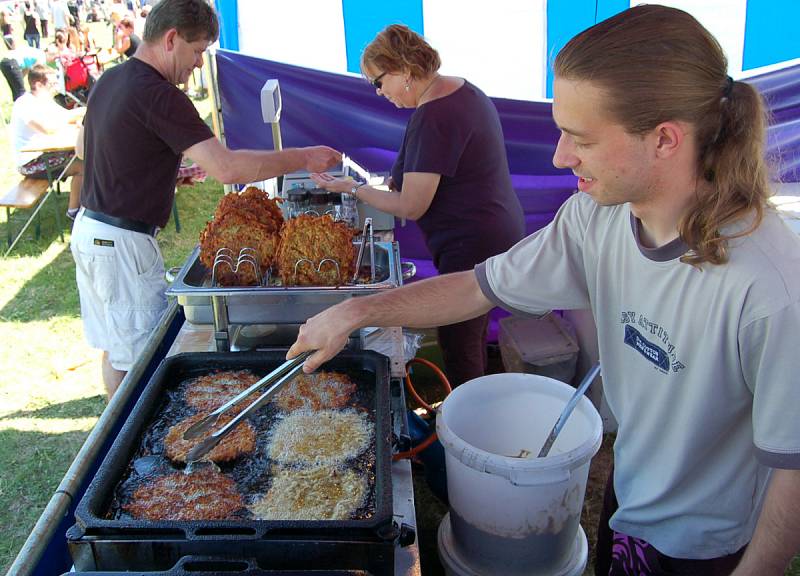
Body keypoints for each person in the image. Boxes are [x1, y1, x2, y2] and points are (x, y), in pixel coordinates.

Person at [288, 6, 800, 576]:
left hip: (706, 548)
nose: (559, 156)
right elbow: (478, 288)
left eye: (580, 137)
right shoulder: (595, 219)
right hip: (628, 502)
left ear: (664, 140)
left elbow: (793, 468)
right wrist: (357, 310)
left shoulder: (770, 285)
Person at [70, 0, 340, 400]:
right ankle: (126, 444)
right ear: (171, 39)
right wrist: (303, 156)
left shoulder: (113, 79)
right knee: (139, 359)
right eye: (197, 51)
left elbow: (85, 146)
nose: (198, 64)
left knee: (119, 350)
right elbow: (226, 168)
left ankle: (116, 430)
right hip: (122, 243)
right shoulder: (159, 95)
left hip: (91, 231)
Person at [310, 24, 525, 387]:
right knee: (469, 329)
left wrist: (355, 190)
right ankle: (478, 401)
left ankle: (468, 424)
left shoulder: (434, 116)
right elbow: (402, 177)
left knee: (458, 339)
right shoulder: (457, 92)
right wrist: (366, 185)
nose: (379, 92)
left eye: (378, 82)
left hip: (472, 241)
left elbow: (411, 205)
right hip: (495, 227)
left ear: (404, 70)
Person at [10, 64, 84, 216]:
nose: (55, 87)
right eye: (52, 83)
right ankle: (74, 211)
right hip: (30, 162)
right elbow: (47, 128)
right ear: (38, 84)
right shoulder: (24, 104)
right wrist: (77, 115)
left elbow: (65, 116)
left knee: (86, 154)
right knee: (82, 165)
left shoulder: (45, 100)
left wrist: (79, 116)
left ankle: (86, 202)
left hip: (44, 154)